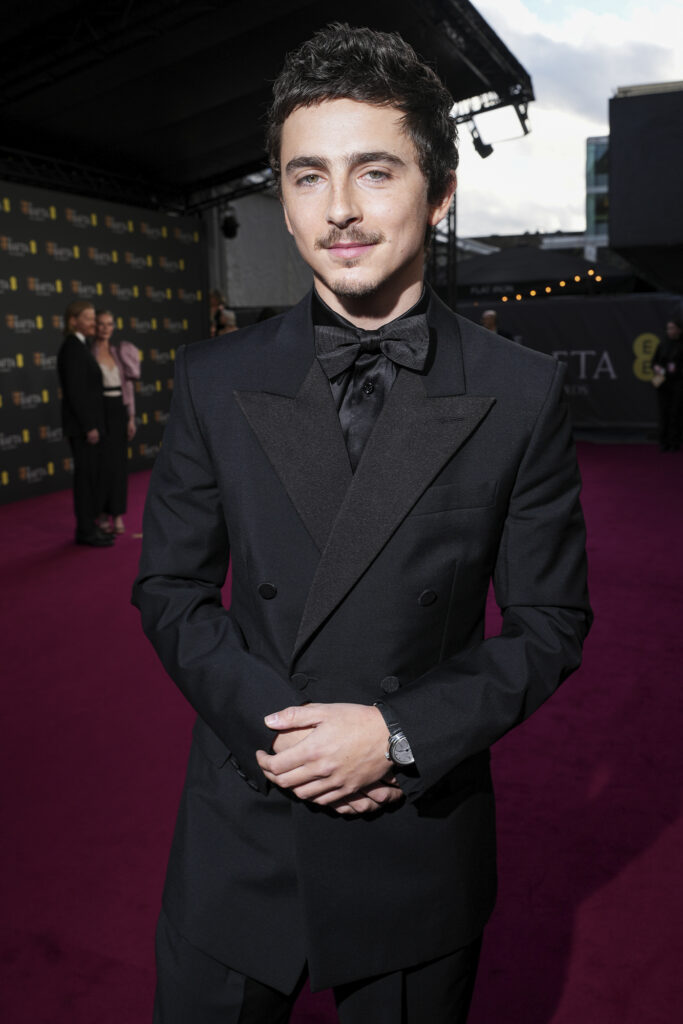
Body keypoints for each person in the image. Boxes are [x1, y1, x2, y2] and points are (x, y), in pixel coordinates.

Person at [133, 22, 591, 1024]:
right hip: (240, 824)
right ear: (282, 203)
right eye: (306, 176)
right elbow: (169, 586)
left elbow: (551, 623)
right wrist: (282, 731)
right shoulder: (215, 378)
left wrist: (394, 734)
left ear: (437, 190)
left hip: (414, 840)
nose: (337, 209)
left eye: (373, 171)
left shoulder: (518, 393)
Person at [57, 299, 112, 547]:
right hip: (82, 428)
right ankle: (86, 531)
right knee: (85, 479)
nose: (93, 323)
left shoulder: (80, 347)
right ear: (73, 321)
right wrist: (89, 426)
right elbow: (76, 393)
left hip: (87, 425)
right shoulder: (71, 348)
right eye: (89, 318)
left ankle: (90, 528)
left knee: (91, 478)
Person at [91, 310, 140, 533]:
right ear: (95, 326)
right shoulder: (88, 353)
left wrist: (131, 417)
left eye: (109, 324)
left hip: (119, 411)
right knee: (101, 466)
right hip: (99, 411)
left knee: (119, 467)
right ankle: (101, 514)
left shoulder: (119, 352)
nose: (105, 328)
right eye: (101, 324)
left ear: (113, 327)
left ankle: (117, 515)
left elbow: (128, 388)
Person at [651, 317, 683, 451]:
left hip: (678, 383)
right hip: (662, 382)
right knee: (663, 412)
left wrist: (677, 369)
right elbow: (653, 362)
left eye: (672, 328)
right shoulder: (662, 344)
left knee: (675, 412)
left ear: (679, 330)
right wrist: (657, 368)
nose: (669, 331)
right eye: (668, 328)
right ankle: (663, 442)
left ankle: (675, 441)